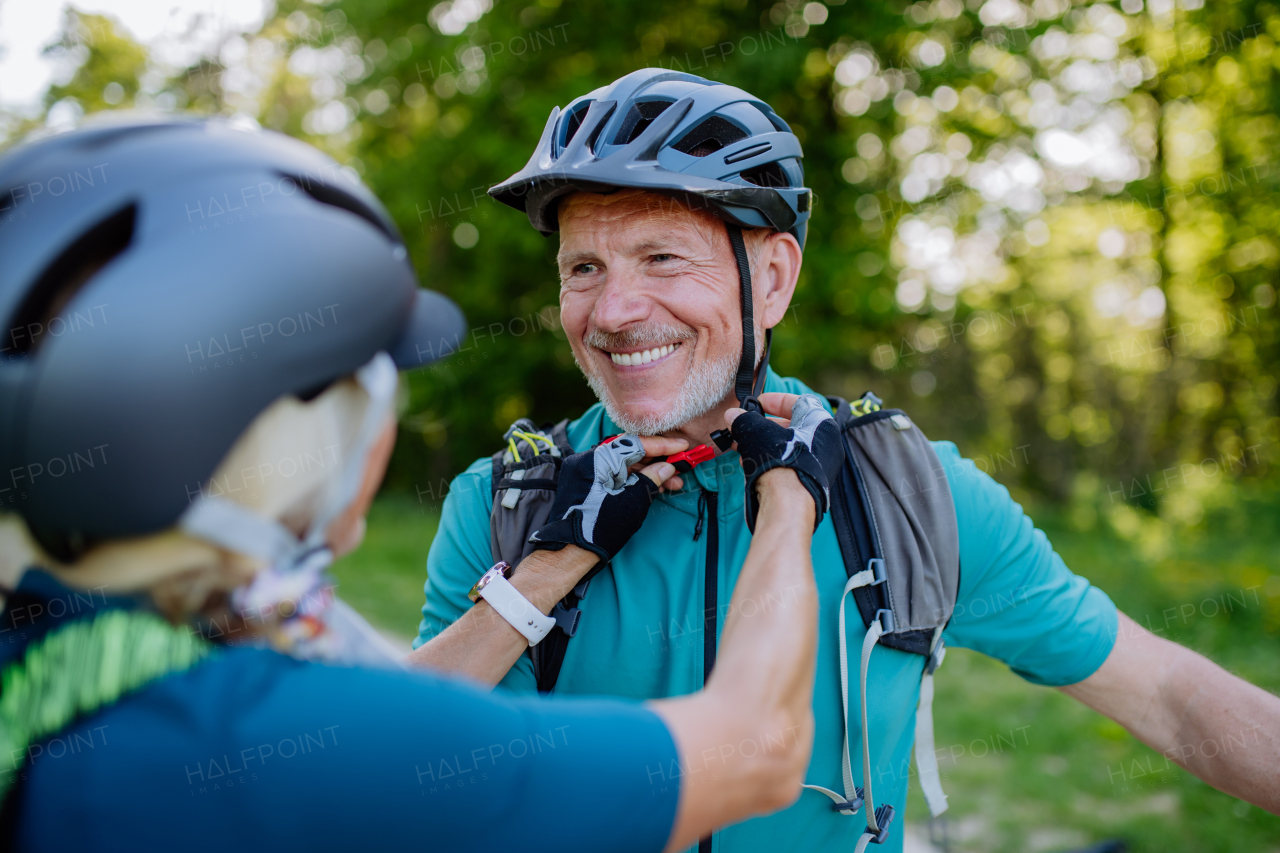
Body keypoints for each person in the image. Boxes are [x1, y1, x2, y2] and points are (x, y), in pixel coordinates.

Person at [410, 68, 1280, 853]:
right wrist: (541, 576)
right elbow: (398, 766)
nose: (614, 310)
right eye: (583, 268)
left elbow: (1168, 694)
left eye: (662, 258)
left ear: (775, 280)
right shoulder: (505, 504)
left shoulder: (906, 494)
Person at [0, 115, 839, 852]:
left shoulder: (61, 666)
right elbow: (757, 747)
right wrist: (791, 497)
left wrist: (548, 566)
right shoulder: (276, 740)